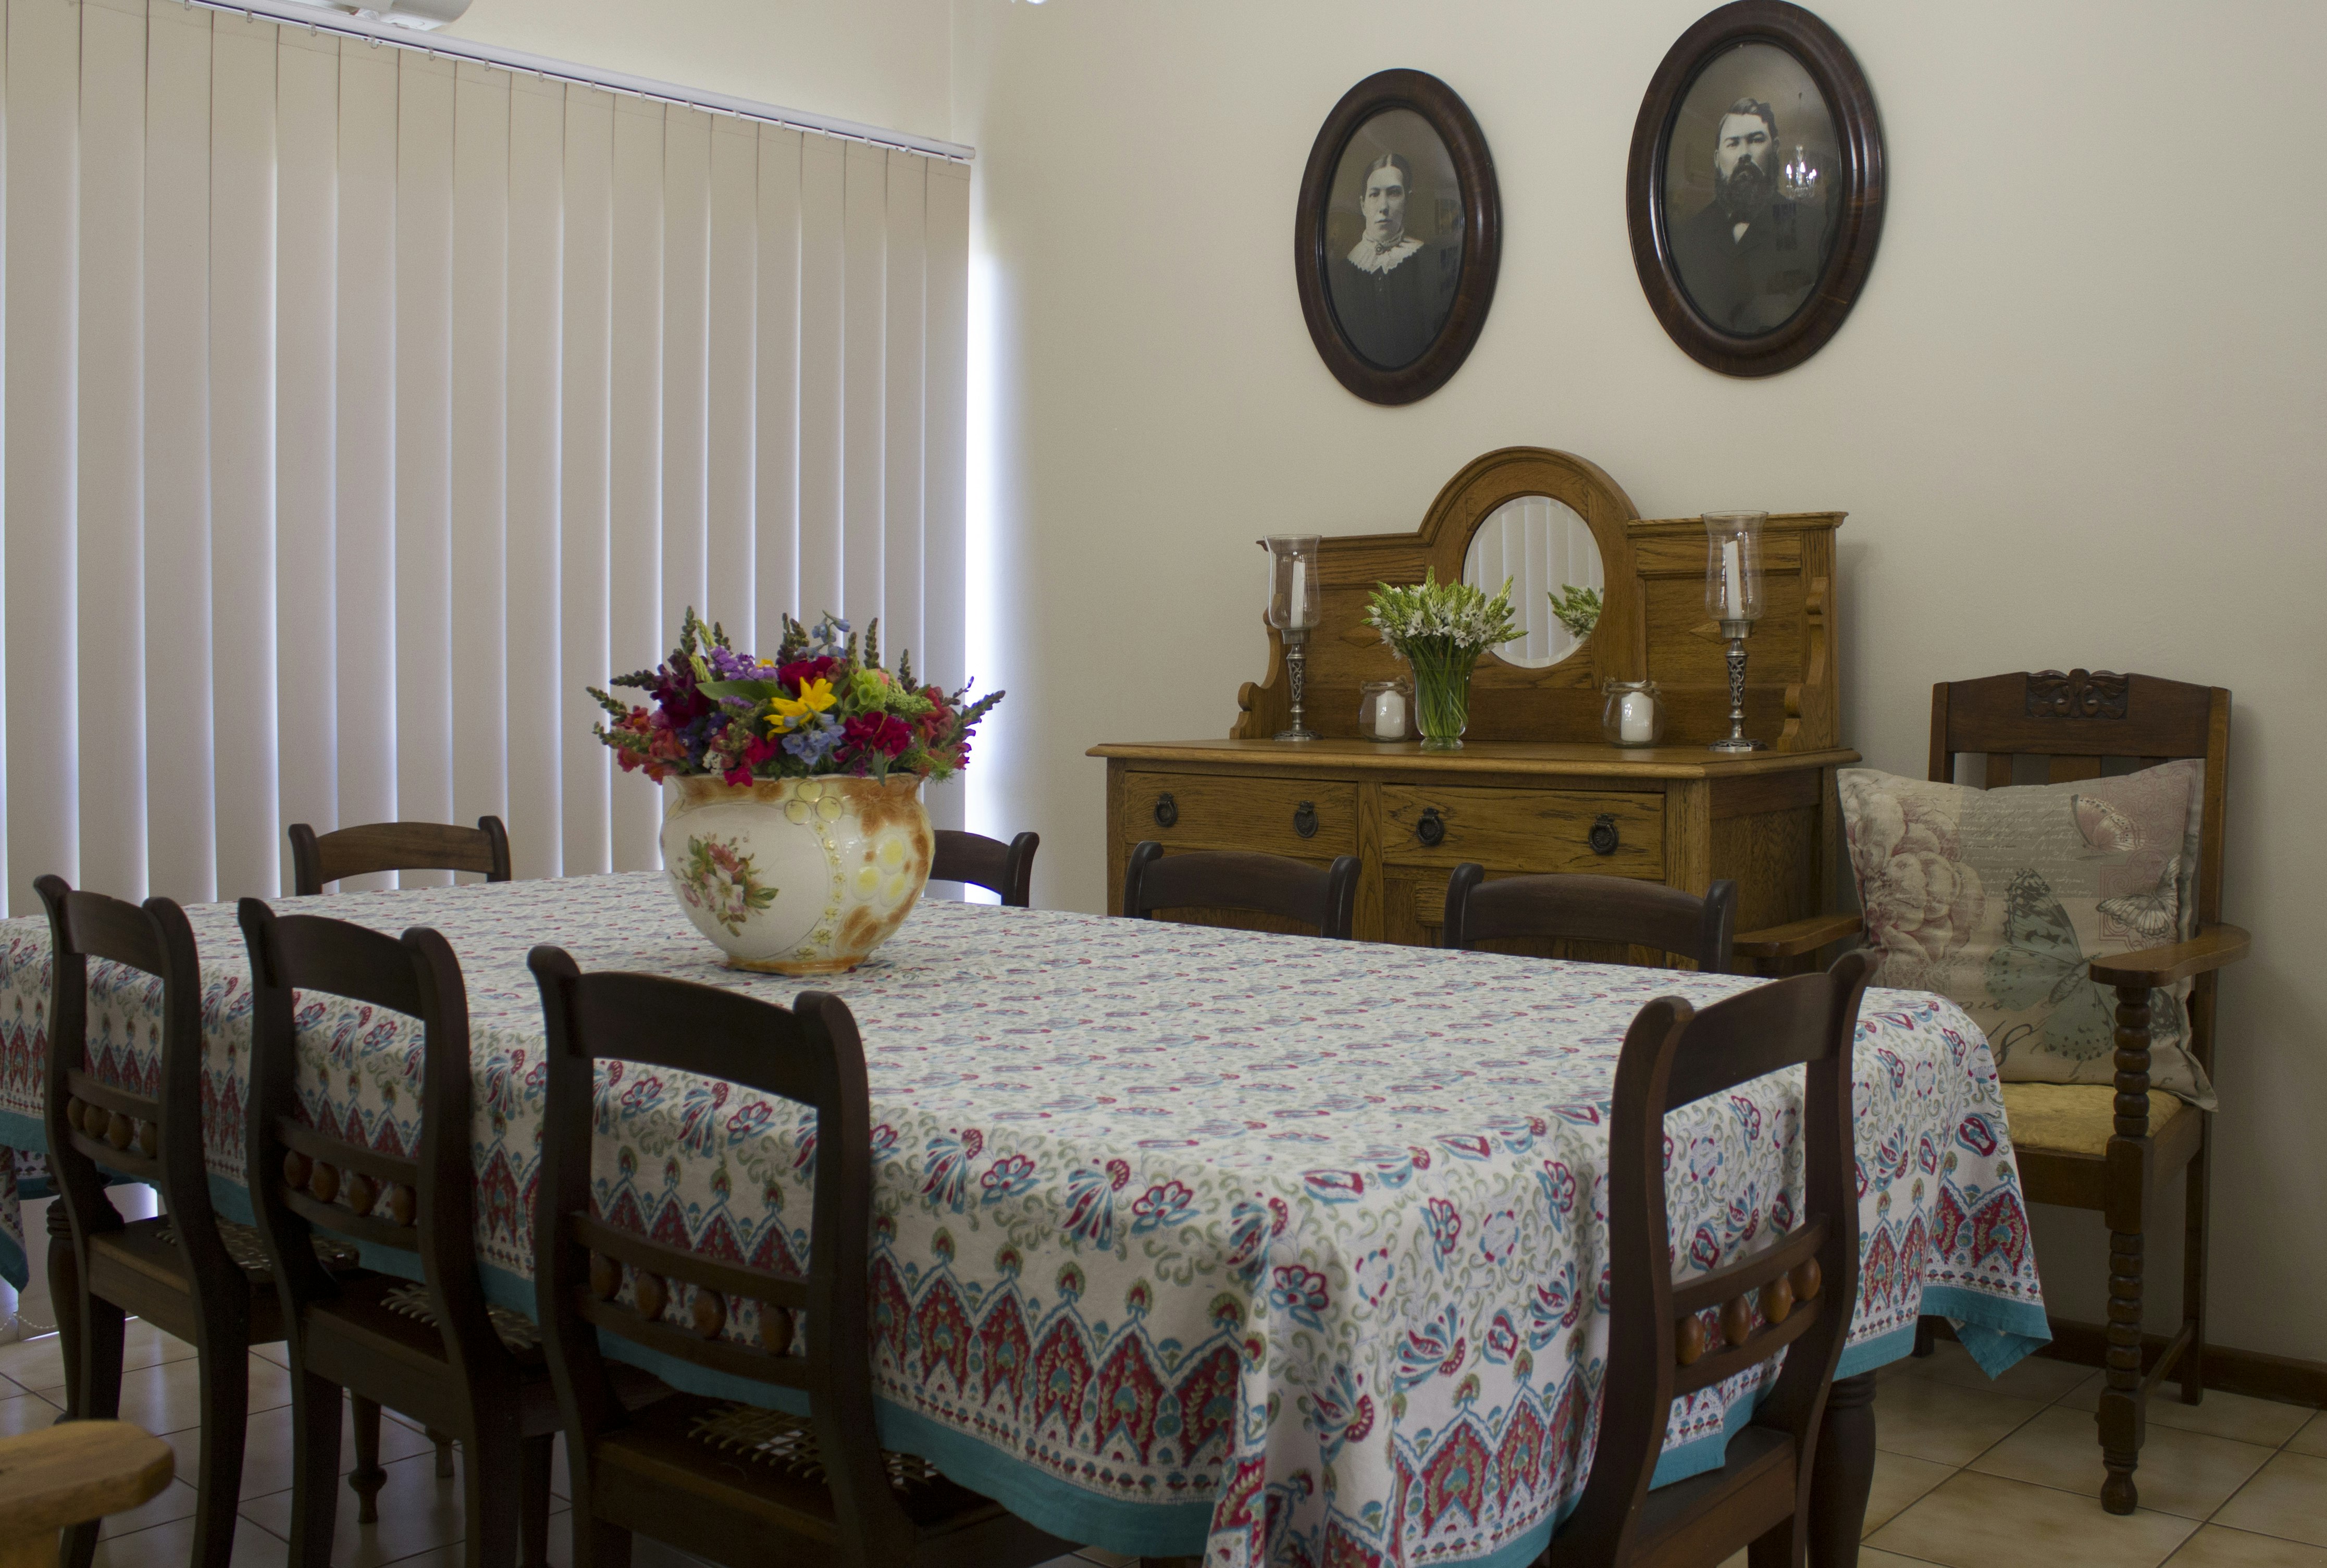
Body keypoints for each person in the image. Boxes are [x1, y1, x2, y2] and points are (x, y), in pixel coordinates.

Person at [1667, 97, 1822, 335]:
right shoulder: (1690, 235)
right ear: (1717, 159)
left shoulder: (1811, 226)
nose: (1744, 154)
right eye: (1733, 144)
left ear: (1775, 149)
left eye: (1756, 140)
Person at [1328, 151, 1460, 369]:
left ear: (1407, 200)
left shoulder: (1431, 260)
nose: (1383, 207)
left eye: (1394, 193)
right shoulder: (1341, 272)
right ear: (1363, 205)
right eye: (1374, 194)